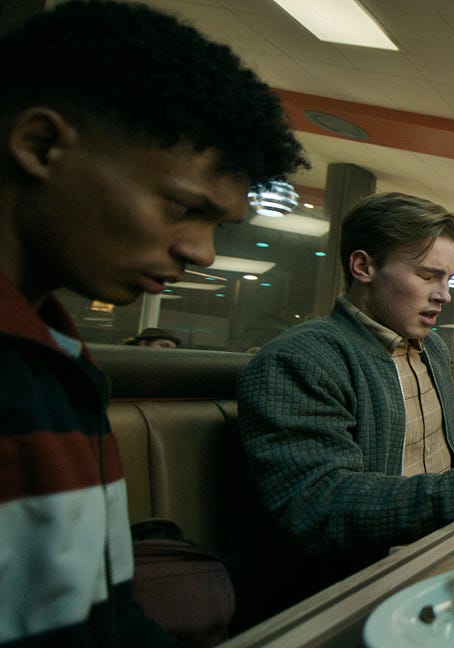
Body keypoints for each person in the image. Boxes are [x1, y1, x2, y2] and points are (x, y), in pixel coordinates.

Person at [0, 2, 307, 645]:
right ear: (40, 145)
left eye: (218, 226)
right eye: (183, 207)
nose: (202, 253)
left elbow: (98, 616)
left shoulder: (58, 360)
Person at [237, 193, 454, 616]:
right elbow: (320, 508)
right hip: (347, 596)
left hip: (438, 562)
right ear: (363, 267)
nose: (444, 296)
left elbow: (440, 476)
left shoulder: (432, 350)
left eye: (448, 280)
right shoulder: (302, 359)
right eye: (428, 276)